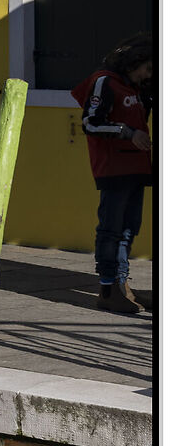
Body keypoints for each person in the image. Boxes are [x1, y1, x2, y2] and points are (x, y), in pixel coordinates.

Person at [78, 35, 154, 316]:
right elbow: (90, 123)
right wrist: (128, 133)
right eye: (147, 68)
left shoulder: (137, 88)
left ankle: (123, 286)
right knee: (111, 230)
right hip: (114, 169)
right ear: (134, 63)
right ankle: (108, 289)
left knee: (128, 229)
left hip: (137, 168)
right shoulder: (104, 81)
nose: (148, 75)